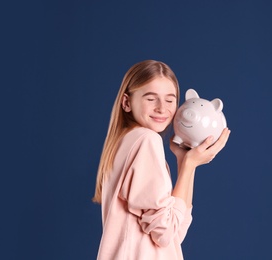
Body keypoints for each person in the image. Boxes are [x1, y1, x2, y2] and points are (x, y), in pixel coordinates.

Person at [93, 60, 230, 260]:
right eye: (151, 98)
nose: (162, 108)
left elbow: (174, 233)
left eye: (170, 100)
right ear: (126, 102)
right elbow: (164, 234)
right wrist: (189, 165)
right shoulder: (146, 141)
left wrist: (186, 164)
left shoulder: (125, 141)